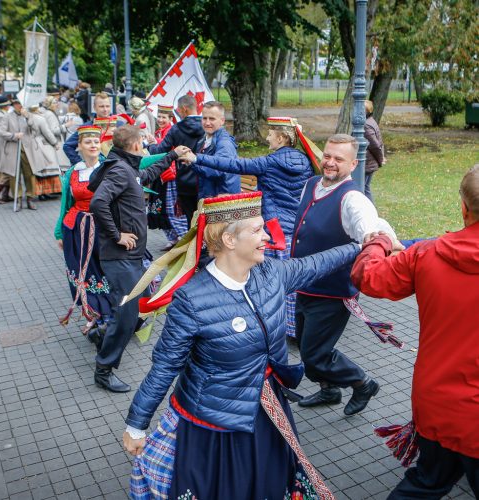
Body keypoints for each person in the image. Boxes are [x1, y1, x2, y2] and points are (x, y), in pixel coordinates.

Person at [122, 191, 361, 499]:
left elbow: (317, 264)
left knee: (271, 479)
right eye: (257, 230)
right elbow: (165, 366)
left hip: (268, 406)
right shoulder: (192, 299)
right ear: (230, 241)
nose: (267, 237)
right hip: (216, 419)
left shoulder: (271, 274)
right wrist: (136, 425)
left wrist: (360, 246)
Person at [351, 164, 479, 499]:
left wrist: (378, 241)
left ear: (463, 207)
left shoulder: (426, 255)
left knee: (426, 482)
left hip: (439, 406)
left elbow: (368, 277)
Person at [291, 133, 401, 415]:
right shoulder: (311, 184)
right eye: (327, 156)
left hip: (332, 291)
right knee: (307, 349)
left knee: (315, 354)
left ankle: (363, 383)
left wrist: (376, 237)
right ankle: (330, 390)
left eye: (338, 159)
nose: (330, 163)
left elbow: (370, 231)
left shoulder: (354, 199)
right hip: (304, 285)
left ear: (353, 164)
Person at [183, 116, 313, 337]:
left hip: (274, 230)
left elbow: (235, 165)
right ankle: (294, 327)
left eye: (271, 134)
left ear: (281, 138)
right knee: (291, 277)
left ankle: (273, 325)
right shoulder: (305, 161)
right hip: (295, 230)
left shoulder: (271, 162)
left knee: (271, 280)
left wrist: (196, 159)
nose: (267, 137)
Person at [88, 125, 188, 392]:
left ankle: (100, 334)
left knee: (129, 310)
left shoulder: (126, 168)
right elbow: (98, 203)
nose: (145, 145)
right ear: (134, 145)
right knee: (128, 312)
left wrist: (171, 155)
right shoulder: (120, 170)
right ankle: (104, 370)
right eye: (142, 141)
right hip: (118, 255)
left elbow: (146, 174)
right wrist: (117, 235)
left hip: (128, 256)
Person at [54, 125, 113, 346]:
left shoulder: (108, 168)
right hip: (76, 228)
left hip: (102, 228)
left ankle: (108, 314)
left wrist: (170, 154)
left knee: (103, 271)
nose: (93, 145)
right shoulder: (73, 172)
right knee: (81, 272)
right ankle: (95, 315)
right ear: (79, 146)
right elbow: (65, 205)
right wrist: (59, 231)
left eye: (96, 141)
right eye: (88, 142)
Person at [147, 94, 205, 227]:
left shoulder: (177, 128)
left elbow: (160, 151)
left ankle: (193, 247)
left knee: (191, 220)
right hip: (204, 180)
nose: (177, 113)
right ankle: (204, 246)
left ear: (184, 109)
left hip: (184, 182)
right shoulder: (207, 126)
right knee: (204, 220)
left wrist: (150, 145)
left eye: (178, 110)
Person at [147, 104, 188, 250]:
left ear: (171, 118)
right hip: (160, 174)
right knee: (159, 208)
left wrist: (152, 143)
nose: (160, 119)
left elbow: (163, 151)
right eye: (159, 116)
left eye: (164, 117)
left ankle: (183, 237)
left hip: (170, 175)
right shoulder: (159, 132)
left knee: (171, 208)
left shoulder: (171, 131)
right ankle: (173, 238)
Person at [187, 100, 240, 199]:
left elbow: (218, 170)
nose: (207, 123)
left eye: (212, 119)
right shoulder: (204, 139)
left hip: (222, 202)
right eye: (204, 118)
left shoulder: (225, 143)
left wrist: (193, 162)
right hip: (210, 197)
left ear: (222, 120)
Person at [0, 96, 38, 211]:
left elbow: (35, 128)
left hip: (27, 150)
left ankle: (30, 198)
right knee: (14, 175)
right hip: (13, 149)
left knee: (30, 175)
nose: (20, 106)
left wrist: (27, 117)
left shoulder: (28, 115)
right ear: (13, 104)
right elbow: (2, 132)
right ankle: (18, 199)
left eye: (21, 103)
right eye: (17, 104)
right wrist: (14, 136)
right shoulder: (7, 117)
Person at [64, 92, 112, 165]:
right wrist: (80, 163)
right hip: (95, 171)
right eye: (101, 106)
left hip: (116, 170)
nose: (105, 109)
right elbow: (67, 146)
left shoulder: (119, 125)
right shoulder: (87, 127)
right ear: (94, 107)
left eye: (107, 106)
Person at [26, 104, 61, 199]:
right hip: (42, 144)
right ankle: (46, 192)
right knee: (47, 168)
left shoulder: (26, 118)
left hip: (30, 145)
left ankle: (40, 192)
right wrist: (55, 143)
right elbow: (47, 133)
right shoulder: (40, 118)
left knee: (39, 170)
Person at [364, 100, 385, 203]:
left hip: (367, 163)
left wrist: (381, 159)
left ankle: (371, 211)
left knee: (363, 188)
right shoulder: (371, 121)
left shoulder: (366, 125)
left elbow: (375, 145)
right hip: (370, 162)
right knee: (365, 187)